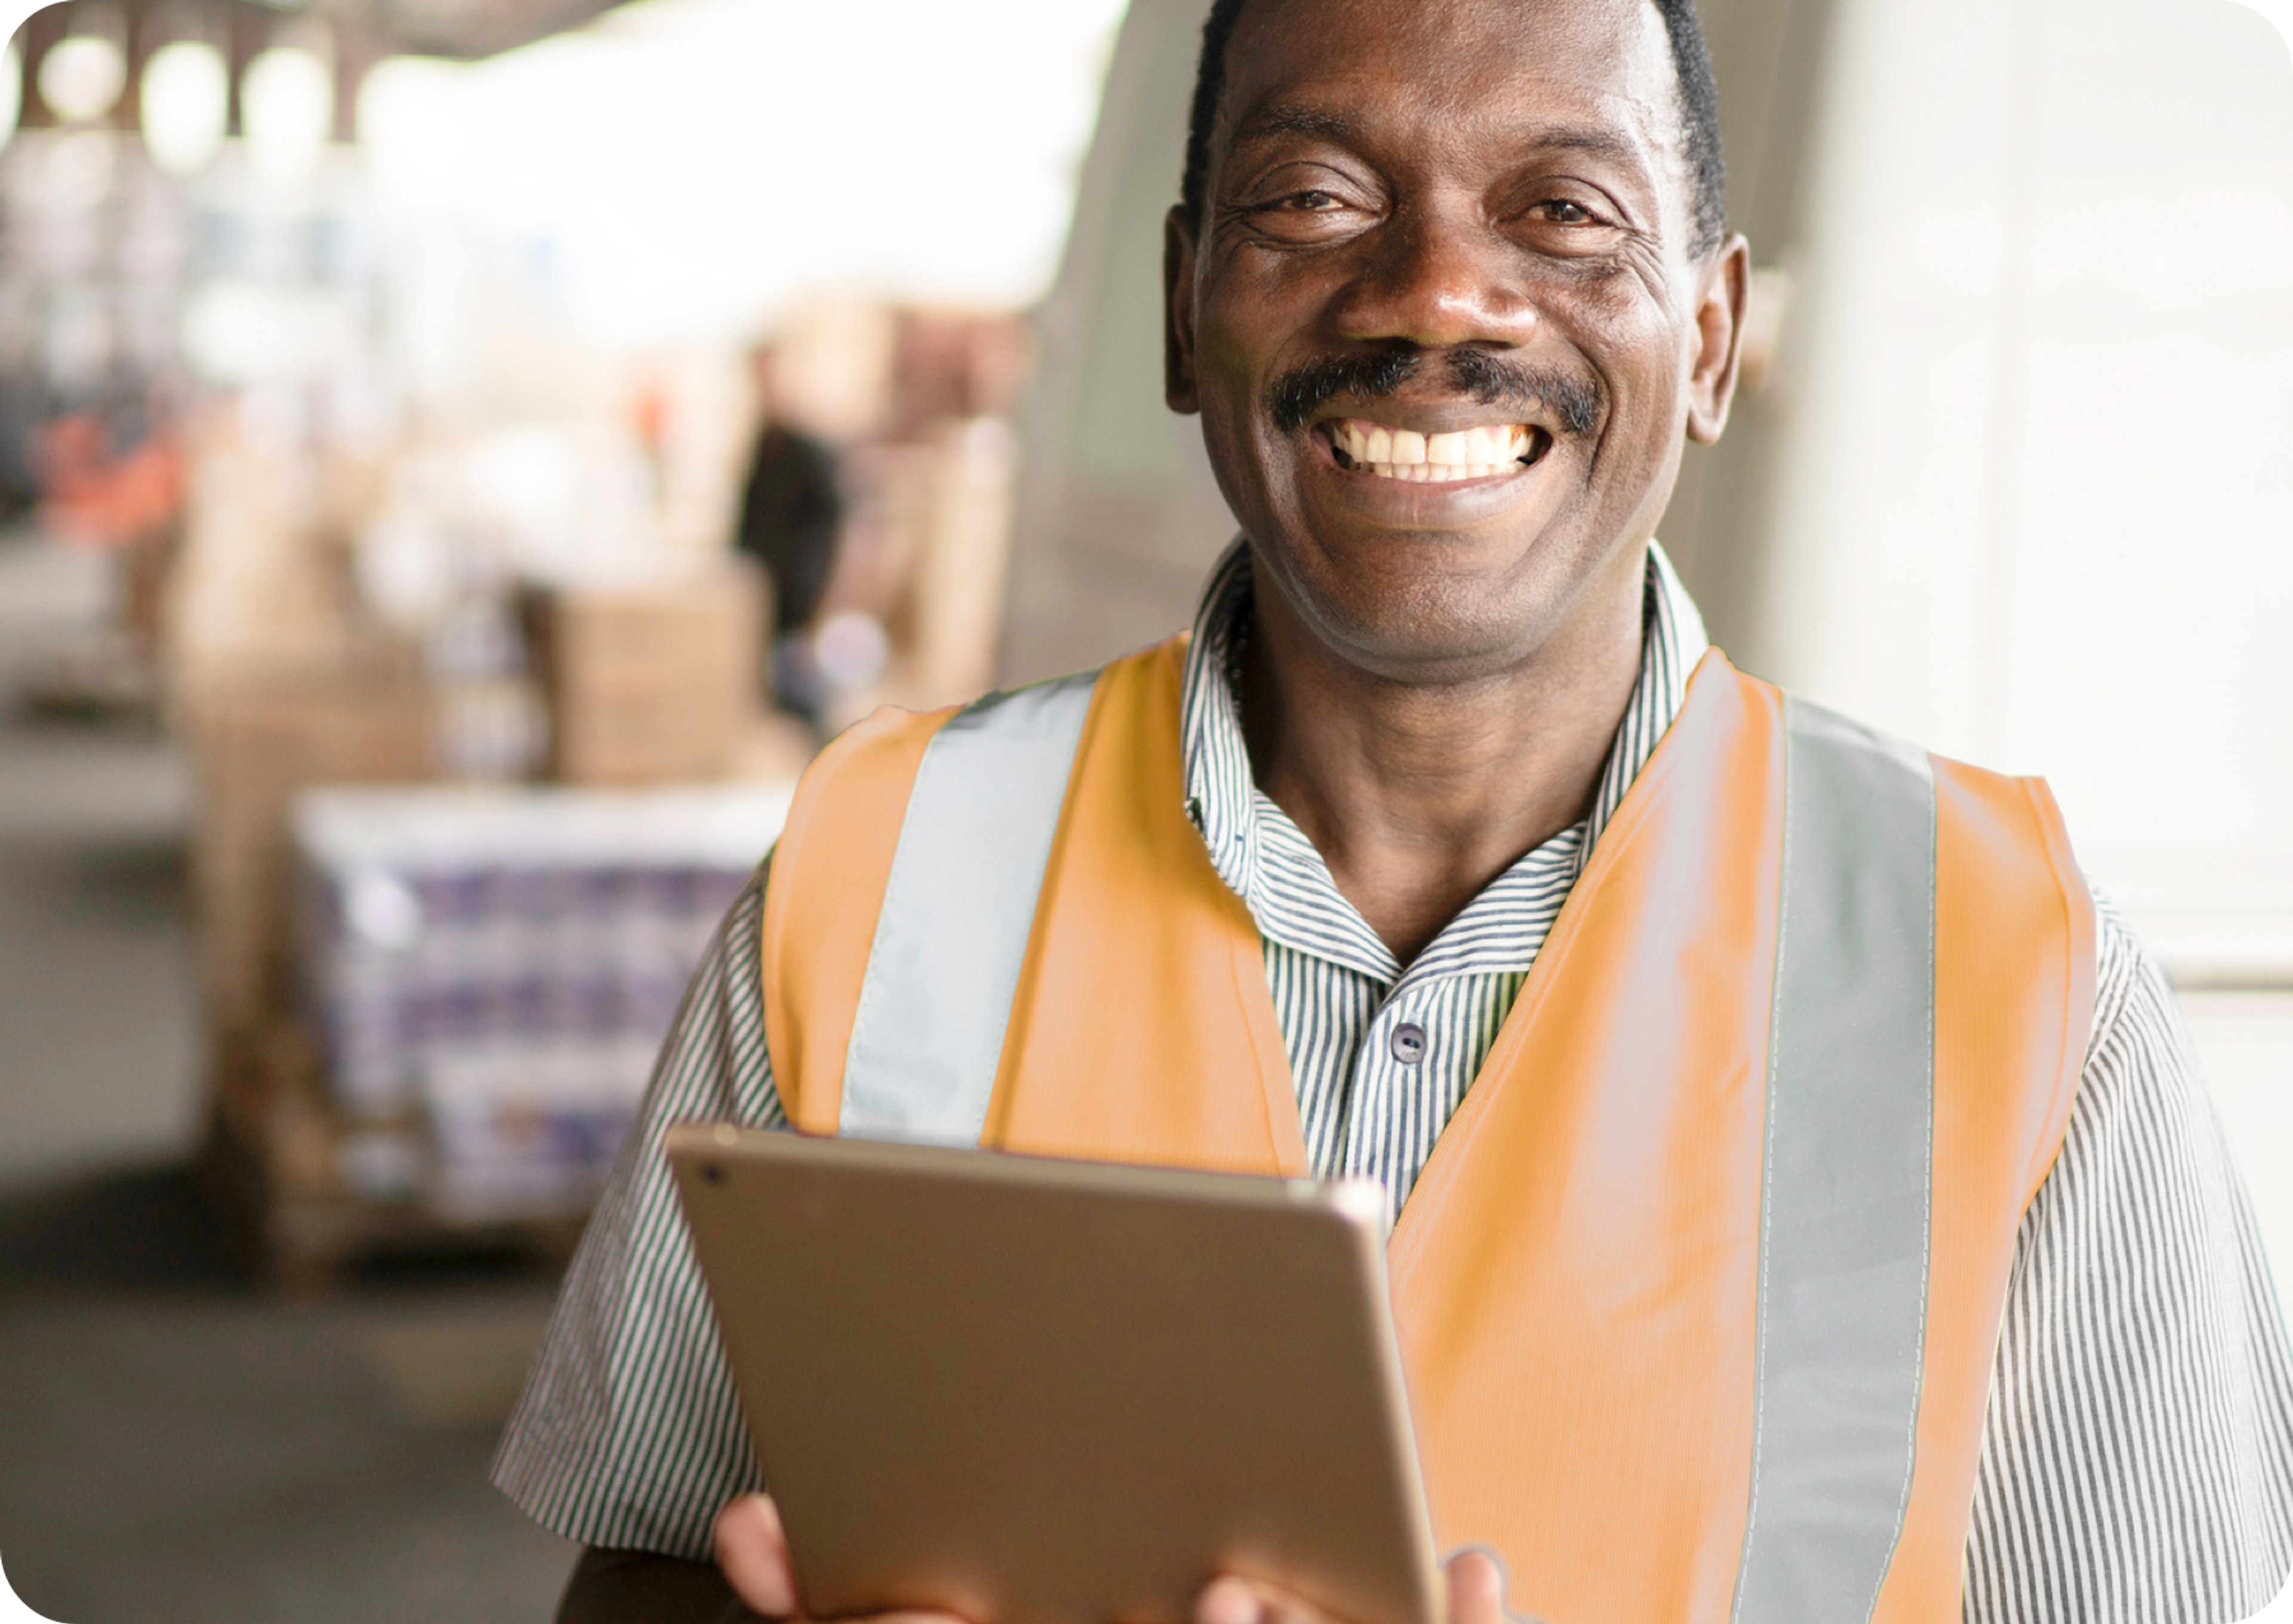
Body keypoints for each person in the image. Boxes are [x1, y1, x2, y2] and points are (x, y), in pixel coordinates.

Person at [496, 0, 2293, 1619]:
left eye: (1563, 210)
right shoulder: (870, 879)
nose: (1437, 291)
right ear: (1183, 309)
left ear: (1713, 334)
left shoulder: (2004, 973)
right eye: (1313, 201)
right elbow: (641, 1571)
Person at [731, 343, 845, 731]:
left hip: (795, 596)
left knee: (798, 692)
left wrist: (814, 596)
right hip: (762, 591)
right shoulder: (763, 445)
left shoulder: (805, 451)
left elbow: (830, 526)